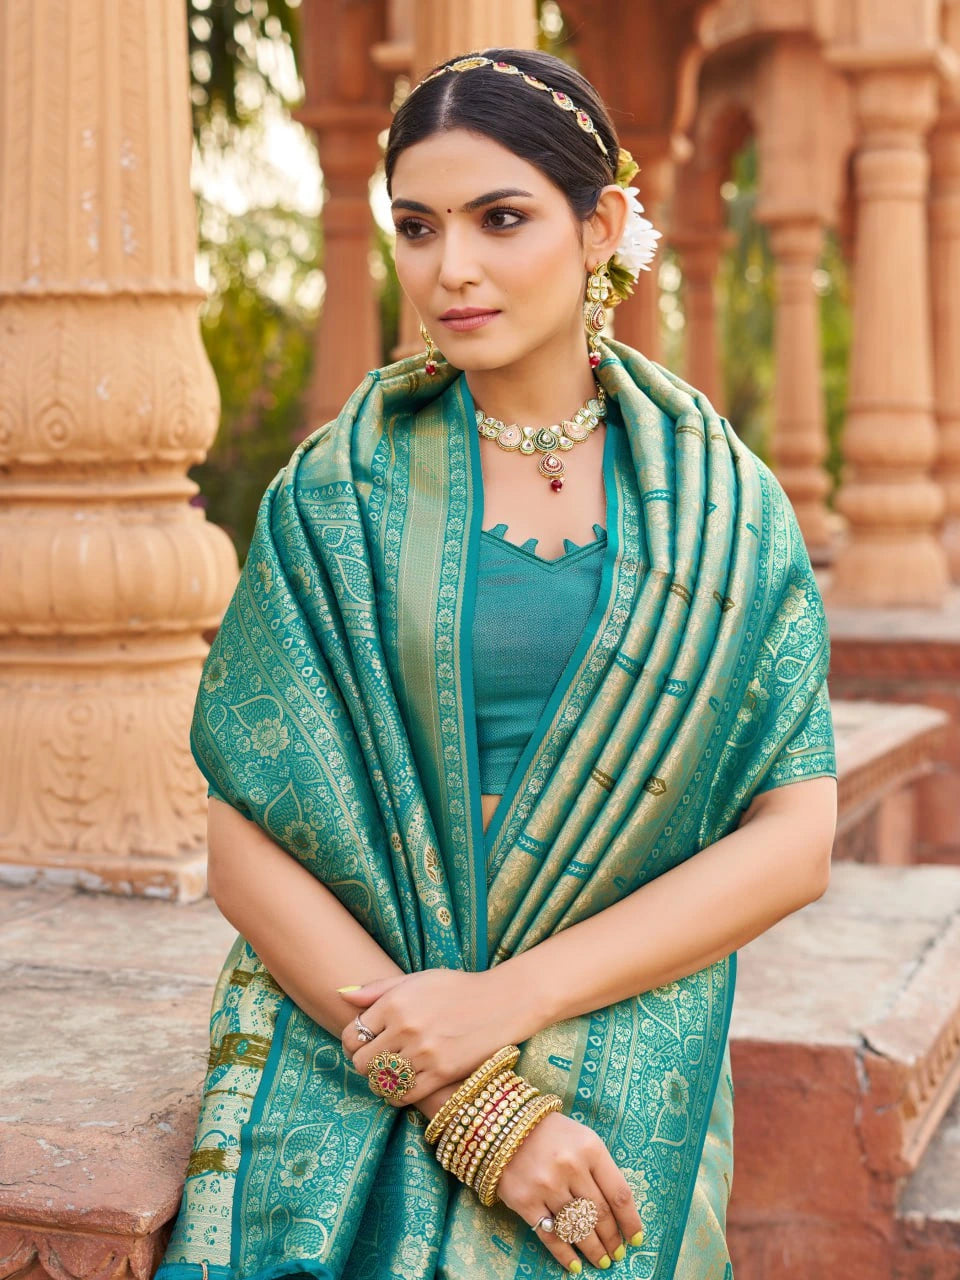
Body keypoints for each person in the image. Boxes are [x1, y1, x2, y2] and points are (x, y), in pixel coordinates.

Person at [154, 47, 837, 1280]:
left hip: (616, 1054)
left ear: (602, 226)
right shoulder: (339, 493)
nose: (450, 268)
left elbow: (793, 835)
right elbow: (243, 834)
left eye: (501, 218)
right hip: (361, 1041)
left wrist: (505, 1003)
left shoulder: (723, 511)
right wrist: (470, 1096)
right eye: (417, 227)